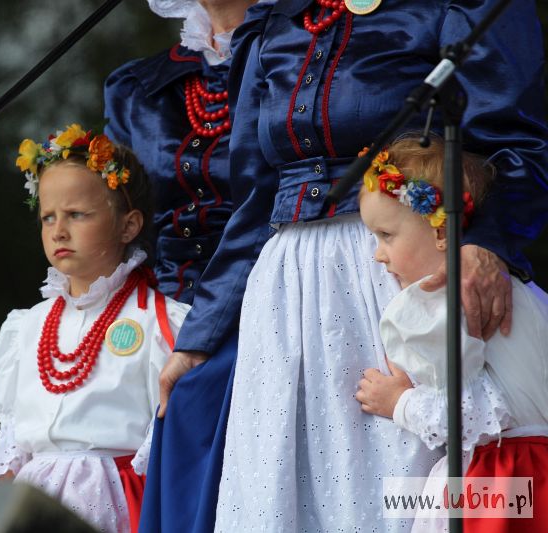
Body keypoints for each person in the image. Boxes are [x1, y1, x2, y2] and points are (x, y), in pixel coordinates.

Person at [151, 0, 547, 531]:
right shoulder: (276, 21)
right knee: (278, 491)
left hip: (398, 271)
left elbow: (517, 146)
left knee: (398, 490)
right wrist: (199, 337)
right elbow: (254, 199)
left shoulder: (455, 6)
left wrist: (484, 242)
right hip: (286, 290)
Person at [104, 2, 272, 531]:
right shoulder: (136, 87)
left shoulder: (297, 53)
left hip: (273, 299)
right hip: (168, 313)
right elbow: (121, 223)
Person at [0, 124, 189, 533]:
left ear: (128, 226)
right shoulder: (26, 329)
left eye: (77, 214)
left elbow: (174, 451)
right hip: (34, 510)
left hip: (117, 507)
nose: (59, 230)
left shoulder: (161, 322)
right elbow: (13, 447)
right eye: (48, 217)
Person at [355, 136, 548, 531]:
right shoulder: (522, 287)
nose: (377, 254)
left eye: (386, 236)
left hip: (502, 478)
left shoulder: (440, 306)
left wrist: (399, 402)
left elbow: (466, 418)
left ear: (441, 232)